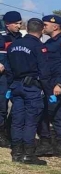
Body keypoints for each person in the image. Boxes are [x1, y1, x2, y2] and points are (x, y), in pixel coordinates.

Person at [5, 18, 49, 164]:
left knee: (17, 121)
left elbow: (9, 69)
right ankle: (28, 155)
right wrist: (47, 91)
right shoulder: (39, 47)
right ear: (42, 30)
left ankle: (16, 153)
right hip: (32, 88)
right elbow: (44, 72)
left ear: (27, 28)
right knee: (30, 121)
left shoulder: (13, 45)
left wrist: (10, 86)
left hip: (16, 87)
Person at [36, 15, 61, 158]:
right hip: (48, 85)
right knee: (53, 116)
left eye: (45, 25)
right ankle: (55, 148)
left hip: (57, 86)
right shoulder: (49, 42)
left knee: (52, 116)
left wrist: (60, 84)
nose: (43, 27)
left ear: (55, 26)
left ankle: (55, 146)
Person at [0, 11, 24, 148]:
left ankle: (9, 131)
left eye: (20, 23)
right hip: (3, 78)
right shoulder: (2, 37)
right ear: (8, 23)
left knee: (17, 108)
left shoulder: (20, 38)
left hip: (16, 77)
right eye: (17, 23)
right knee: (2, 107)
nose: (19, 26)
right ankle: (1, 134)